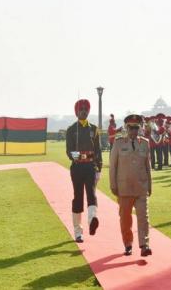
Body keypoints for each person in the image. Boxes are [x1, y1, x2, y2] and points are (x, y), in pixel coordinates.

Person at [109, 114, 152, 256]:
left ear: (139, 128)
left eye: (136, 128)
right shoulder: (119, 143)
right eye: (131, 128)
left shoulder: (145, 143)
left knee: (143, 218)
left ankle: (144, 245)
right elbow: (113, 166)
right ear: (127, 128)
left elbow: (148, 166)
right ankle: (128, 244)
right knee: (125, 219)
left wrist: (149, 185)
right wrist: (113, 185)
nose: (134, 131)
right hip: (124, 188)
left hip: (141, 187)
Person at [66, 99, 102, 243]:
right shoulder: (71, 130)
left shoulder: (94, 129)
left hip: (90, 168)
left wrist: (99, 168)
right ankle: (78, 231)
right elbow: (69, 152)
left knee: (92, 195)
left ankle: (92, 220)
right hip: (77, 168)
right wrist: (83, 156)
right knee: (78, 197)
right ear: (76, 112)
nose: (84, 111)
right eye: (81, 109)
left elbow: (98, 150)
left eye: (86, 109)